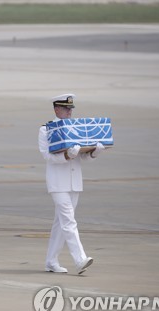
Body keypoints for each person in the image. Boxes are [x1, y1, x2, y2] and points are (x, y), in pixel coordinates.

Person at [38, 93, 106, 274]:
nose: (70, 112)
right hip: (58, 183)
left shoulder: (77, 127)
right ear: (57, 109)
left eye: (71, 109)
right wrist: (67, 155)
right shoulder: (46, 129)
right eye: (66, 109)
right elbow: (48, 156)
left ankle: (51, 261)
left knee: (60, 223)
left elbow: (83, 156)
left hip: (74, 182)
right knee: (69, 220)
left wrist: (95, 152)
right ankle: (80, 259)